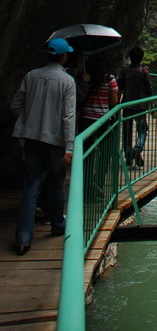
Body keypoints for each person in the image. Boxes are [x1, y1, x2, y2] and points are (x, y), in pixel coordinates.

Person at [11, 37, 77, 256]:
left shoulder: (31, 76)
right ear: (64, 56)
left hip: (31, 140)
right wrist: (69, 146)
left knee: (30, 186)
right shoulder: (67, 81)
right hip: (56, 142)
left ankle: (23, 238)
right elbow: (68, 116)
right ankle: (58, 224)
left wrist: (29, 121)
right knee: (57, 183)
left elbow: (16, 105)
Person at [118, 46, 152, 168]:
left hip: (127, 106)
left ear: (130, 57)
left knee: (127, 133)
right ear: (141, 57)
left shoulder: (124, 71)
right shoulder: (143, 72)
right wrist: (152, 103)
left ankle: (128, 156)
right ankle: (137, 149)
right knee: (142, 131)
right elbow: (149, 89)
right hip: (141, 107)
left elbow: (119, 88)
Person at [78, 55, 119, 131]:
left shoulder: (86, 77)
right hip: (102, 119)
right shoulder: (109, 79)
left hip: (85, 118)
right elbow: (114, 102)